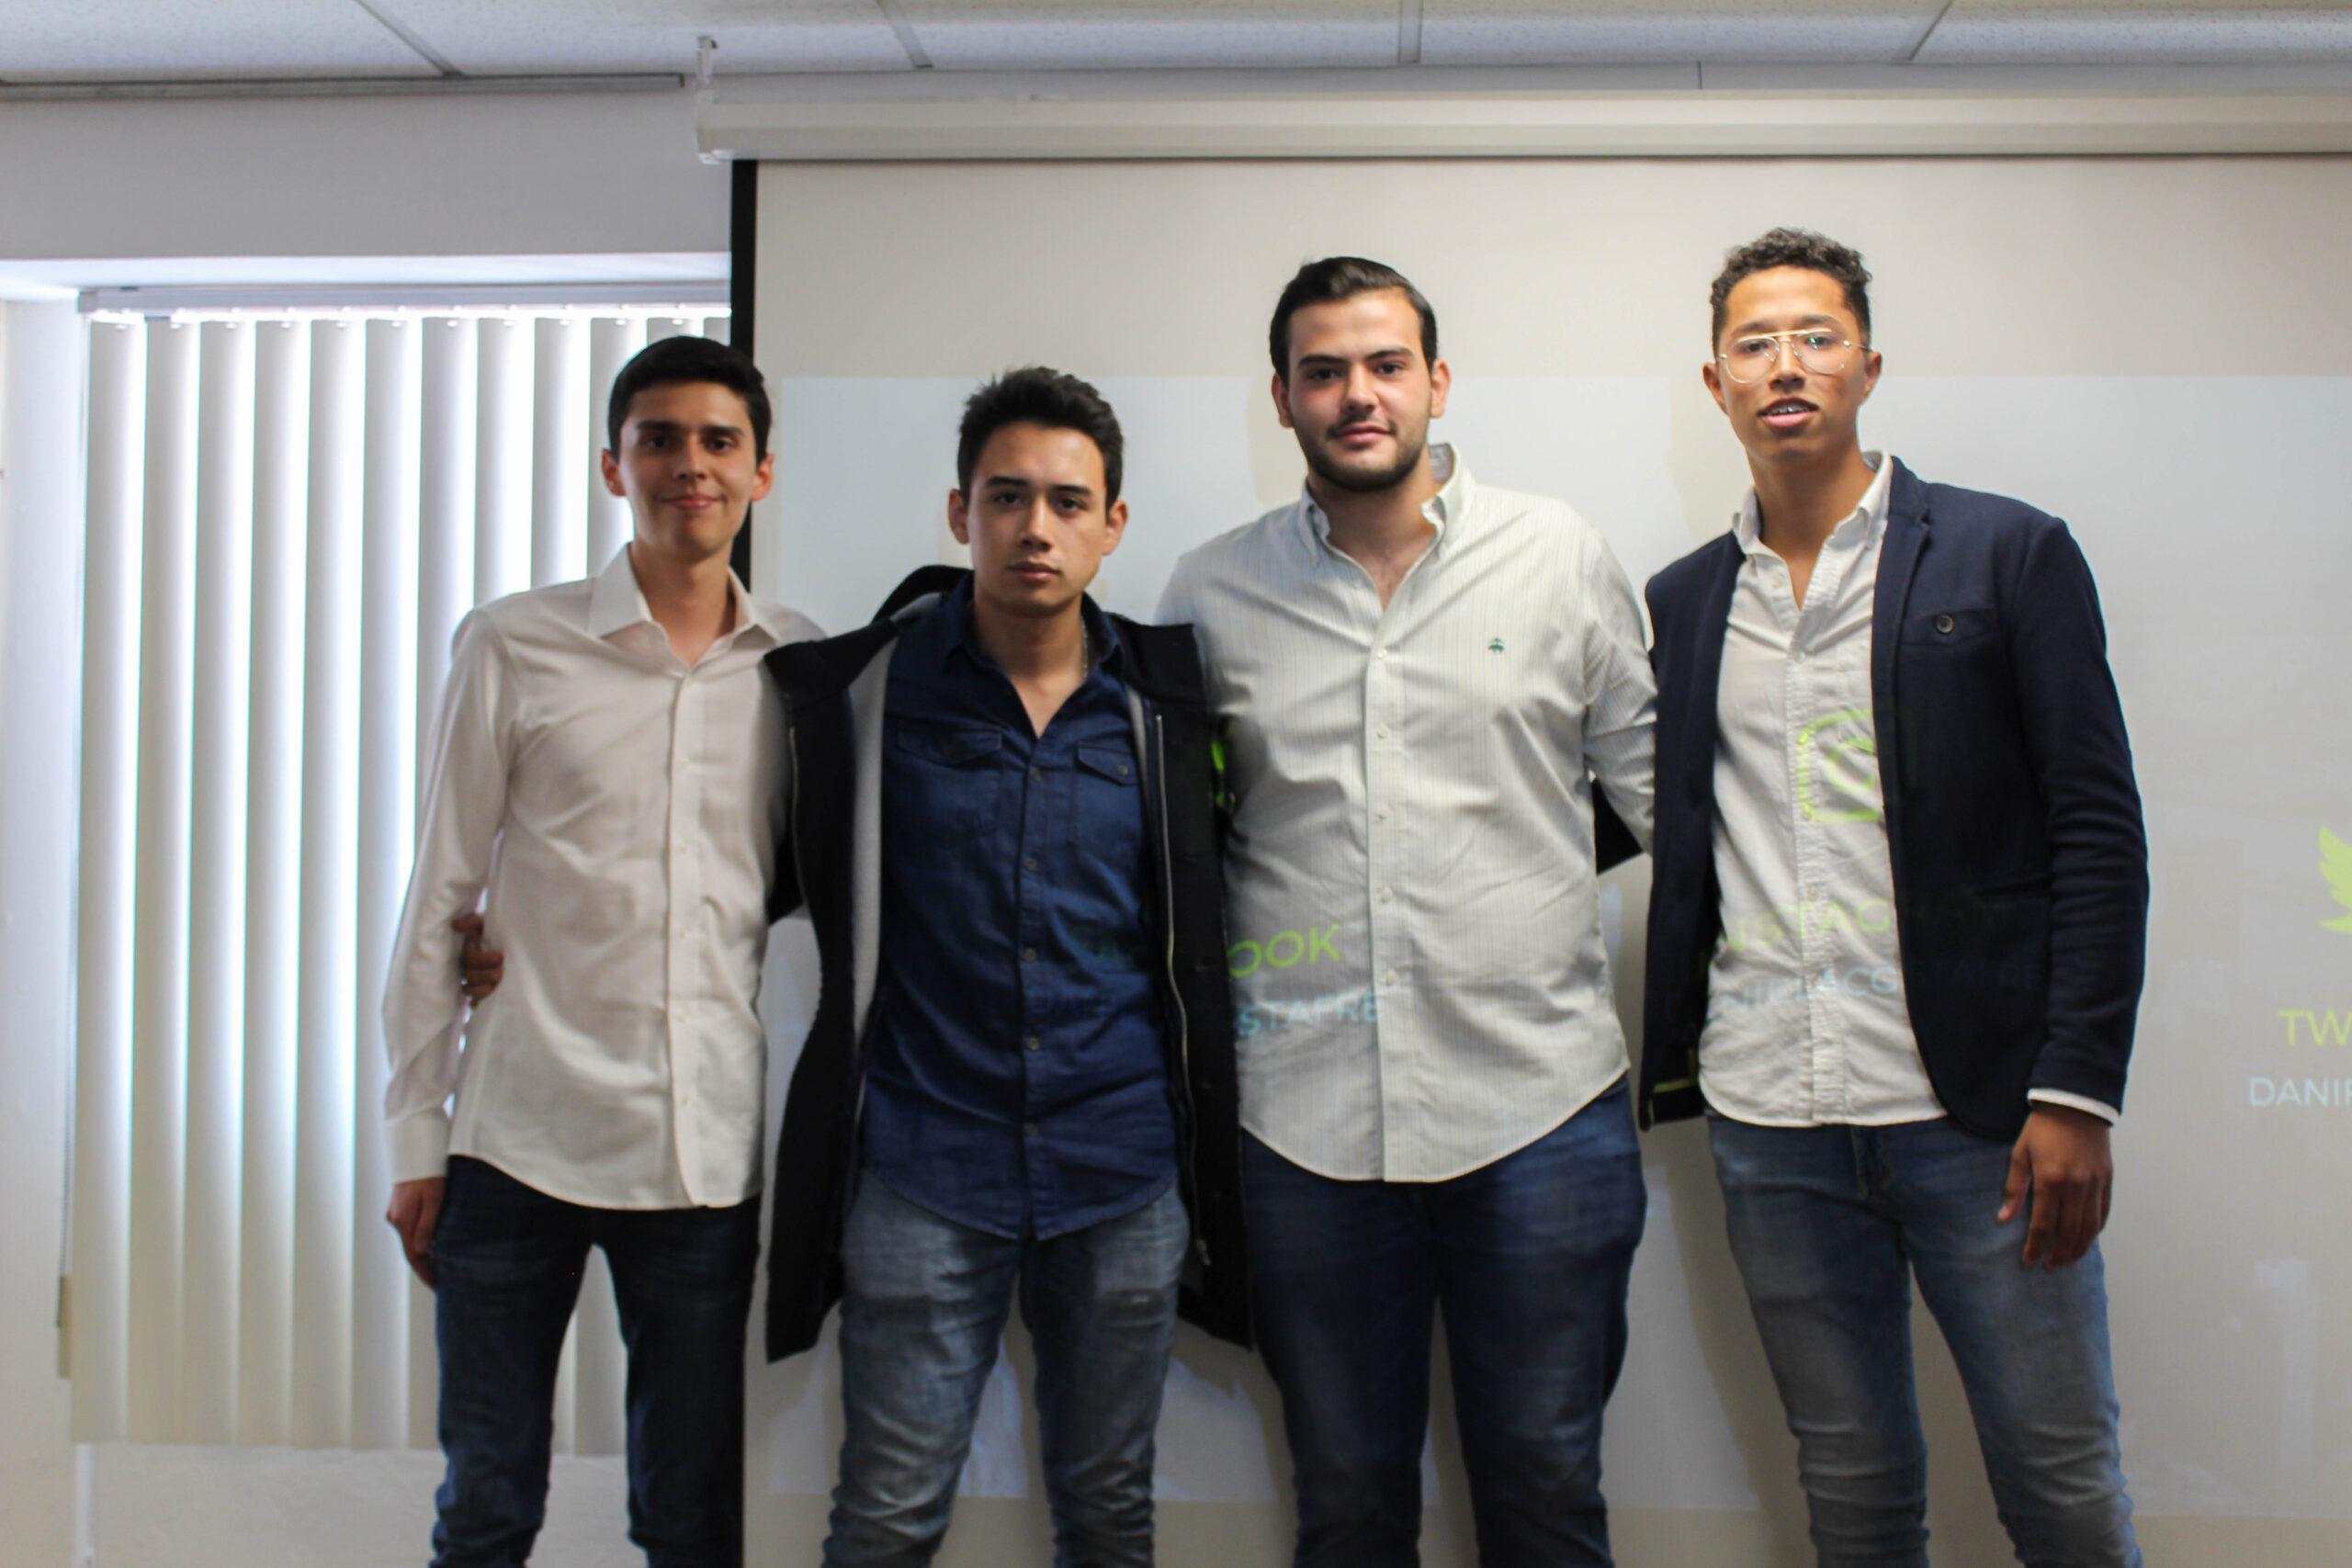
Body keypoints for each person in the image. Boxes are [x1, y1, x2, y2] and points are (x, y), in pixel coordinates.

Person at [1638, 227, 2147, 1567]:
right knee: (1854, 1499)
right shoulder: (1683, 604)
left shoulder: (2007, 553)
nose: (1785, 364)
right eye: (1755, 343)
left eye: (1815, 336)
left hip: (1984, 1122)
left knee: (2063, 1492)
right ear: (1715, 383)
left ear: (1867, 367)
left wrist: (2077, 1091)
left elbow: (2098, 831)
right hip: (1773, 1121)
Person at [1158, 257, 1656, 1567]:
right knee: (1346, 1507)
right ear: (1282, 398)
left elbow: (1654, 797)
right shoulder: (1210, 596)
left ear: (1436, 380)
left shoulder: (1558, 556)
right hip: (1303, 1128)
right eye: (1323, 371)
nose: (1357, 395)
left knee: (1547, 1499)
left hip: (1540, 1112)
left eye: (1385, 365)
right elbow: (1187, 848)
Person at [759, 367, 1250, 1568]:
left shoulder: (1168, 704)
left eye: (1069, 502)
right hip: (925, 1162)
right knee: (886, 1514)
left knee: (1109, 1512)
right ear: (959, 512)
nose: (1037, 527)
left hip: (1120, 1169)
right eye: (1007, 497)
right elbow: (745, 870)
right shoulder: (868, 694)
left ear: (1112, 524)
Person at [380, 334, 821, 1567]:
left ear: (762, 472)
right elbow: (442, 890)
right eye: (659, 440)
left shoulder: (801, 668)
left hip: (701, 1152)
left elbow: (806, 887)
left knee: (690, 1521)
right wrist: (415, 1134)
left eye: (720, 441)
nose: (691, 465)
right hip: (516, 1138)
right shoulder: (513, 643)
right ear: (613, 466)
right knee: (488, 1507)